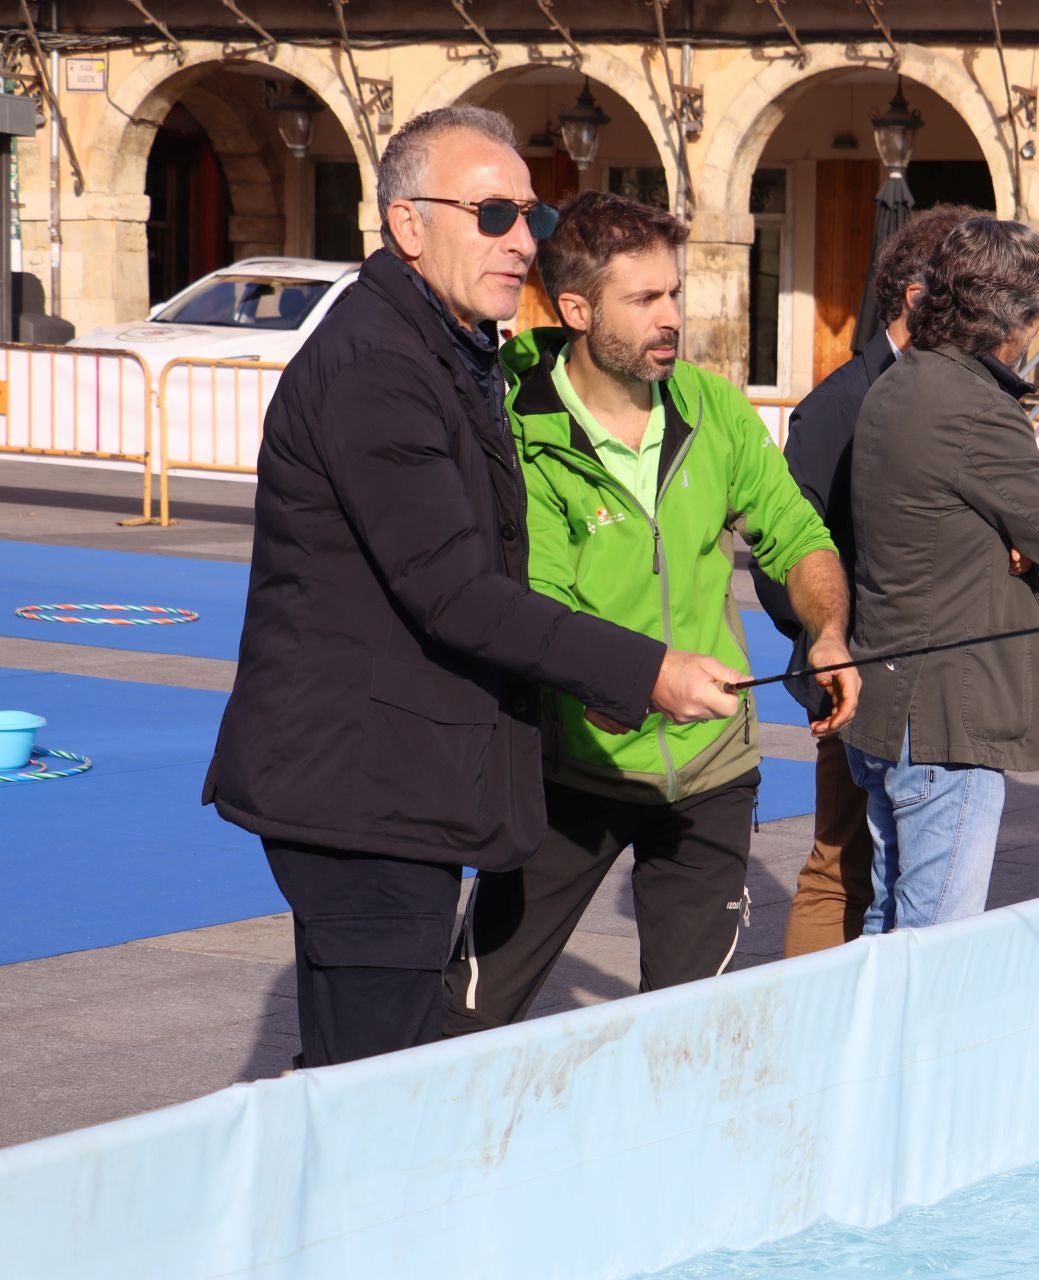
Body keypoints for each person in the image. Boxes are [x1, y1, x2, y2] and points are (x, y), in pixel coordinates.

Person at [204, 107, 743, 1070]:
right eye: (492, 214)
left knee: (358, 1077)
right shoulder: (378, 366)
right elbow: (453, 590)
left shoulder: (452, 346)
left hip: (394, 784)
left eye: (531, 216)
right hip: (360, 790)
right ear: (409, 225)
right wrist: (645, 669)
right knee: (376, 1086)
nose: (523, 242)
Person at [439, 191, 857, 1033]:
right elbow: (538, 603)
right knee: (466, 1018)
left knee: (689, 1030)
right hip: (569, 771)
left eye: (674, 295)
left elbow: (796, 535)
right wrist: (639, 682)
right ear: (577, 310)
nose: (671, 318)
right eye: (644, 301)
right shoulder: (518, 428)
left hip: (712, 773)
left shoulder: (713, 408)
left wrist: (829, 632)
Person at [842, 217, 1039, 932]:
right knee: (933, 945)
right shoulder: (975, 406)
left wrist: (1009, 544)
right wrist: (1016, 547)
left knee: (888, 922)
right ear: (1013, 317)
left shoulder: (898, 381)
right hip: (945, 718)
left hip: (894, 702)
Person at [751, 204, 981, 957]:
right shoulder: (839, 404)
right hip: (856, 671)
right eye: (964, 297)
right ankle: (807, 1038)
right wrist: (828, 640)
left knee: (894, 869)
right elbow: (777, 550)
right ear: (916, 298)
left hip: (931, 671)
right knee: (840, 864)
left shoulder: (945, 392)